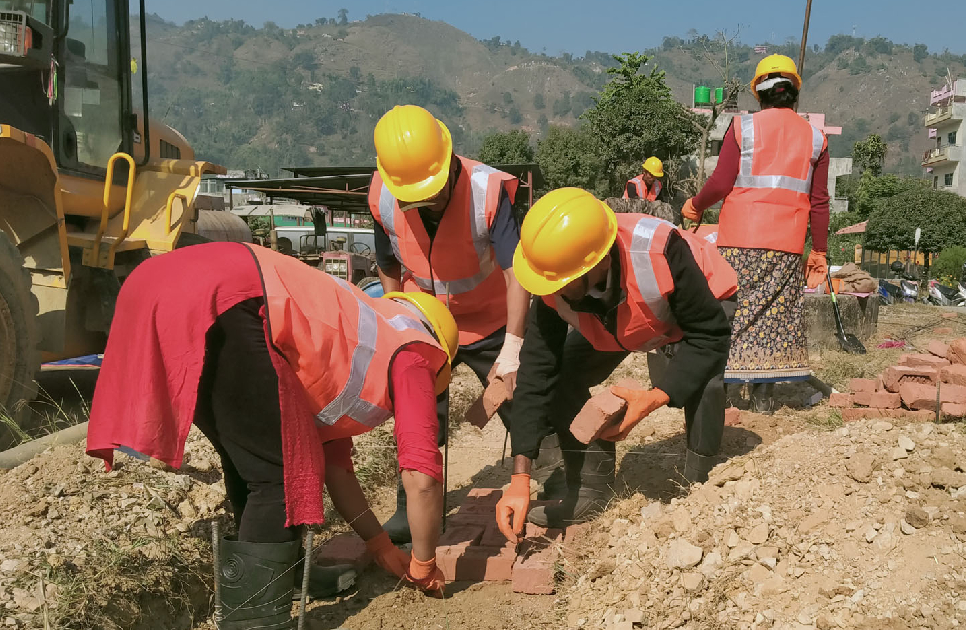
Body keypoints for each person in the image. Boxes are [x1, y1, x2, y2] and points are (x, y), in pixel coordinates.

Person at [86, 243, 451, 628]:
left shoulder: (347, 336)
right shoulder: (411, 355)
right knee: (278, 477)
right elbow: (422, 478)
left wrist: (378, 546)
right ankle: (253, 621)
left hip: (160, 282)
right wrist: (424, 565)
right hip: (223, 292)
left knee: (253, 464)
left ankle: (279, 581)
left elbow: (336, 471)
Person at [493, 188, 736, 537]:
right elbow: (537, 371)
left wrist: (657, 396)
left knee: (703, 381)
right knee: (563, 373)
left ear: (601, 261)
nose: (553, 290)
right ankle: (590, 487)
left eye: (562, 283)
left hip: (701, 299)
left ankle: (698, 487)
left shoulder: (659, 251)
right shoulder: (556, 275)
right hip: (626, 320)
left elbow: (710, 337)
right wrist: (520, 477)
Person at [368, 105, 530, 543]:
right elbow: (387, 264)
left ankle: (537, 481)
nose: (425, 202)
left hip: (488, 319)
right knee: (417, 414)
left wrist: (512, 347)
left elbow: (519, 273)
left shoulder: (487, 192)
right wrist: (395, 319)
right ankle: (411, 507)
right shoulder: (385, 194)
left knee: (519, 400)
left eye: (433, 192)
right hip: (425, 321)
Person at [680, 53, 831, 413]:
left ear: (758, 94)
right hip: (787, 244)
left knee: (735, 312)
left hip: (739, 239)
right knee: (774, 317)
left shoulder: (742, 127)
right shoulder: (816, 139)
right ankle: (764, 397)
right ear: (794, 93)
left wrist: (697, 205)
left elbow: (720, 182)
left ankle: (726, 393)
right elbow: (820, 202)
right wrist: (820, 251)